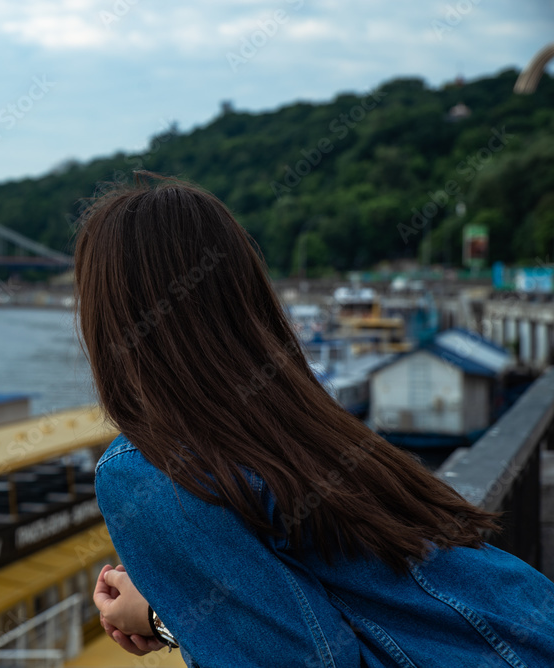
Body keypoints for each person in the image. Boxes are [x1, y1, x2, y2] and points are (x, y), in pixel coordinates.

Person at [77, 173, 554, 667]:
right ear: (247, 296)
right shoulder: (305, 422)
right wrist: (179, 609)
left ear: (106, 317)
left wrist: (164, 617)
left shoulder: (148, 467)